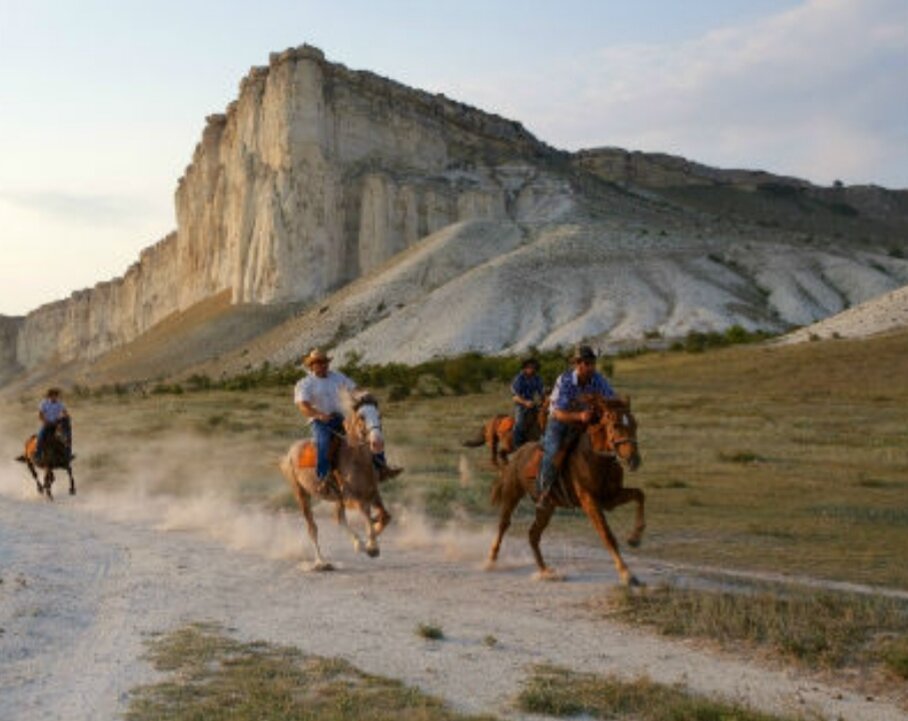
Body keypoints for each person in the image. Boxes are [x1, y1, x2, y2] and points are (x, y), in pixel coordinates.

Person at [294, 348, 401, 493]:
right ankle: (323, 478)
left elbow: (354, 389)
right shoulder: (305, 383)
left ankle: (382, 466)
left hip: (341, 418)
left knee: (371, 433)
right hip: (320, 421)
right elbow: (303, 406)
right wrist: (318, 415)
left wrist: (363, 394)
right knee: (323, 444)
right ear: (312, 365)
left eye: (324, 362)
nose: (323, 365)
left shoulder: (337, 377)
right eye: (318, 362)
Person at [536, 344, 616, 509]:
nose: (591, 367)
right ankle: (544, 491)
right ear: (577, 364)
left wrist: (614, 407)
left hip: (585, 423)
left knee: (607, 442)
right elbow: (558, 412)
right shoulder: (565, 380)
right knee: (554, 450)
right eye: (587, 363)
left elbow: (610, 397)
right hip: (560, 422)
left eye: (592, 363)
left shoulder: (598, 379)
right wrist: (579, 415)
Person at [510, 357, 544, 448]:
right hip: (521, 405)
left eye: (534, 367)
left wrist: (542, 401)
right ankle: (517, 444)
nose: (532, 369)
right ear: (525, 368)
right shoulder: (518, 379)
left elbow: (541, 392)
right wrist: (525, 402)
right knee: (519, 423)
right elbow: (515, 397)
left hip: (533, 403)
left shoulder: (537, 378)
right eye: (530, 367)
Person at [35, 387, 73, 462]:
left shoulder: (60, 404)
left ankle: (68, 455)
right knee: (40, 437)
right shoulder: (44, 403)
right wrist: (45, 421)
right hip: (47, 424)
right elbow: (40, 415)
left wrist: (65, 416)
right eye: (53, 395)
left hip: (56, 424)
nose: (55, 397)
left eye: (56, 395)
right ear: (49, 396)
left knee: (66, 437)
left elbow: (65, 412)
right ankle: (38, 455)